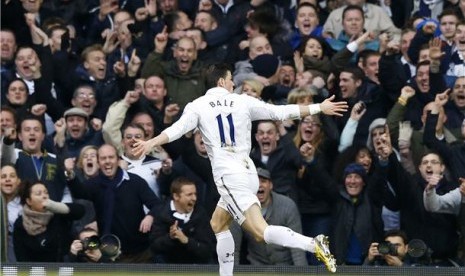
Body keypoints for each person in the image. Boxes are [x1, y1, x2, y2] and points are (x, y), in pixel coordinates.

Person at [133, 63, 348, 274]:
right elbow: (279, 112)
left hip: (229, 176)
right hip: (248, 171)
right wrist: (319, 107)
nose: (232, 85)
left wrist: (151, 142)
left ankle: (313, 244)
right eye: (230, 81)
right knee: (218, 223)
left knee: (260, 231)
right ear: (221, 81)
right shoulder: (242, 101)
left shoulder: (197, 105)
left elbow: (176, 130)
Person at [230, 167, 307, 265]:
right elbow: (233, 250)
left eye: (263, 181)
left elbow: (298, 249)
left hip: (285, 268)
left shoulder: (288, 206)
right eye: (255, 182)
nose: (259, 185)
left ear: (271, 185)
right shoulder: (240, 209)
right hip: (257, 268)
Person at [13, 180, 84, 262]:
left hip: (64, 268)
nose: (44, 196)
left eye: (46, 192)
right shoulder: (20, 224)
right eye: (39, 194)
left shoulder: (57, 213)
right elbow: (21, 257)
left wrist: (56, 206)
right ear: (29, 201)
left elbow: (80, 211)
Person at [150, 176, 215, 263]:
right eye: (189, 194)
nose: (194, 198)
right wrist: (170, 237)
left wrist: (187, 241)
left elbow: (207, 250)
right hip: (170, 268)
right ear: (176, 196)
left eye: (195, 194)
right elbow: (155, 248)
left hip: (196, 267)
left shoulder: (201, 214)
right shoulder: (162, 214)